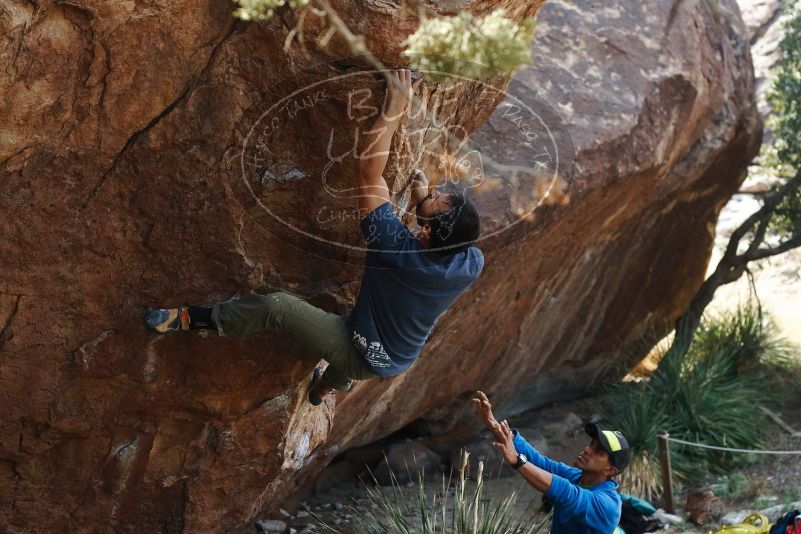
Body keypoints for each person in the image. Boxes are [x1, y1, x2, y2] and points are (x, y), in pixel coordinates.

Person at [144, 69, 484, 405]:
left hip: (363, 351)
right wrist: (424, 201)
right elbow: (432, 230)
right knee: (351, 348)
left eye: (433, 200)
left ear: (425, 231)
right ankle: (324, 389)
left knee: (278, 307)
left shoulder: (395, 250)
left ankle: (190, 319)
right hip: (399, 353)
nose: (432, 192)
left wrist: (395, 107)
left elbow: (369, 174)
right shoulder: (470, 262)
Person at [472, 390, 630, 534]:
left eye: (599, 452)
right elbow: (539, 462)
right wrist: (493, 424)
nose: (588, 450)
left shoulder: (607, 505)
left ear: (610, 471)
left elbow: (567, 493)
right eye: (591, 444)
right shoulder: (577, 477)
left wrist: (518, 462)